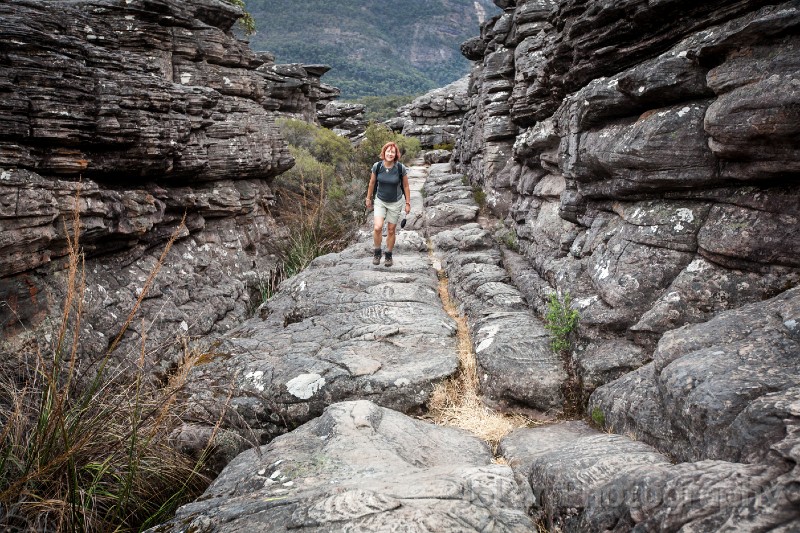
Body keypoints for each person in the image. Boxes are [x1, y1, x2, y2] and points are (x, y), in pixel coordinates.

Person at [365, 141, 411, 267]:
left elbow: (406, 186)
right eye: (388, 151)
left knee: (391, 230)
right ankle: (377, 251)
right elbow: (372, 183)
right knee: (377, 227)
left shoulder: (400, 168)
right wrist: (368, 198)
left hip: (395, 202)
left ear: (396, 154)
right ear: (384, 152)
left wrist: (407, 202)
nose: (390, 154)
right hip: (380, 200)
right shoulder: (377, 166)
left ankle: (389, 255)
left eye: (393, 152)